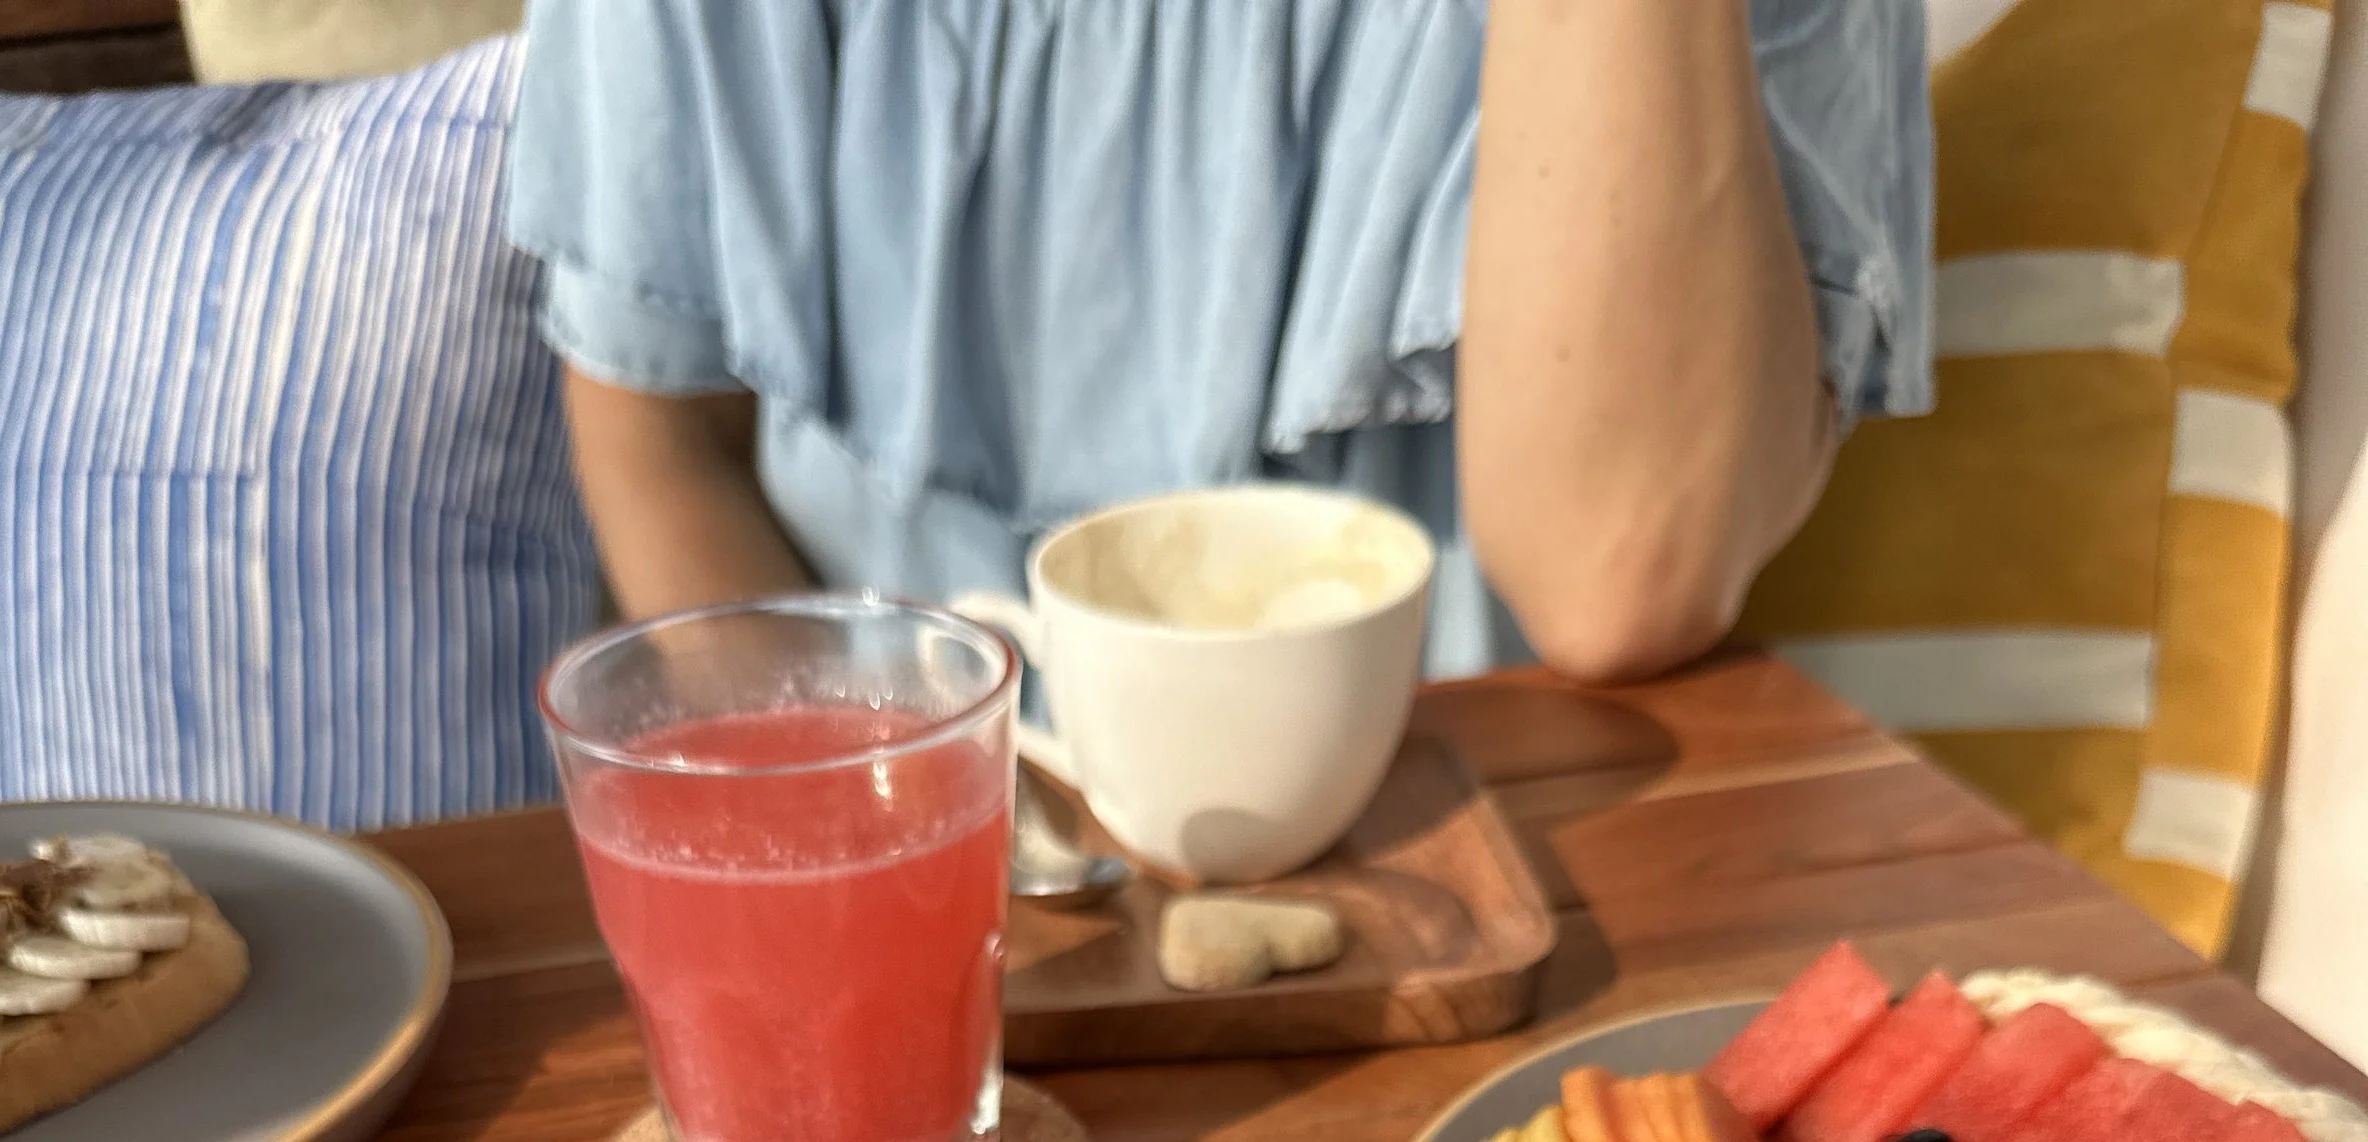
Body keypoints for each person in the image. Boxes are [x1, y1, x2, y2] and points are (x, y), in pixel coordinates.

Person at [508, 0, 1930, 687]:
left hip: (1511, 898)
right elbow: (657, 436)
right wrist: (868, 821)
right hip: (897, 865)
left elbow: (1621, 568)